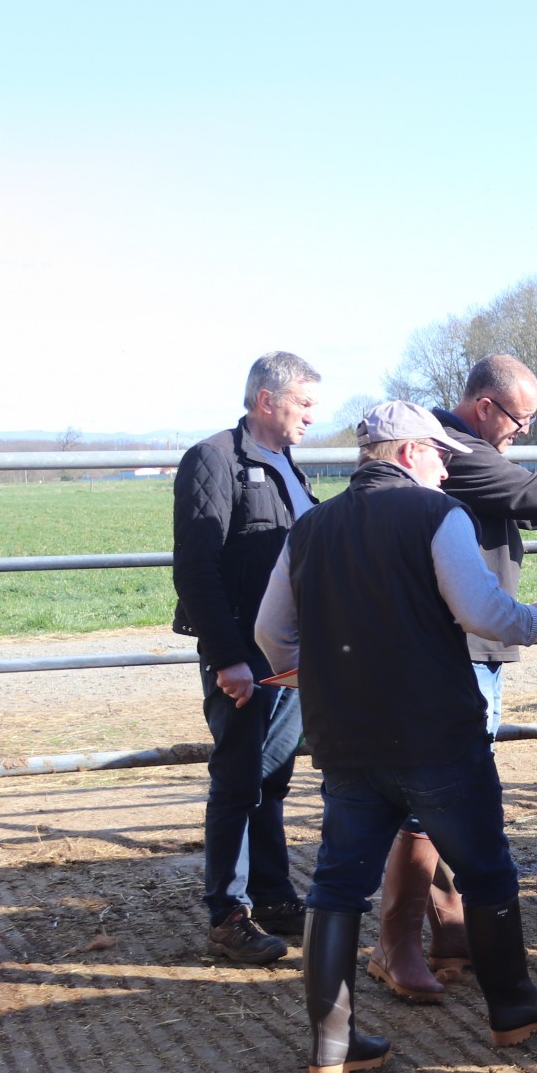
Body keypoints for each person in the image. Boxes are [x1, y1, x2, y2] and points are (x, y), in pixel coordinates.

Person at [254, 400, 537, 1073]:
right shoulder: (438, 516)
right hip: (436, 736)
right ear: (408, 454)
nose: (446, 472)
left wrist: (312, 666)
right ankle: (512, 1005)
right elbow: (485, 613)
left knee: (338, 886)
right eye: (439, 458)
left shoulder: (310, 528)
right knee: (487, 870)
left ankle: (331, 1042)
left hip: (345, 739)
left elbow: (270, 632)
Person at [367, 356, 537, 1002]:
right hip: (460, 649)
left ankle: (448, 930)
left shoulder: (463, 450)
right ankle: (394, 943)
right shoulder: (465, 453)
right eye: (520, 418)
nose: (523, 430)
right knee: (433, 803)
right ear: (484, 406)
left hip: (472, 649)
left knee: (441, 799)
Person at [171, 351, 318, 965]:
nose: (313, 415)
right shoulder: (214, 460)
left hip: (289, 652)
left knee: (273, 775)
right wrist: (227, 655)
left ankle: (274, 894)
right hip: (245, 655)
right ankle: (226, 913)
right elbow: (197, 567)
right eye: (304, 403)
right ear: (266, 399)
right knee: (238, 775)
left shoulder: (285, 463)